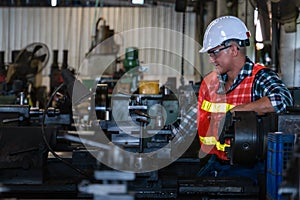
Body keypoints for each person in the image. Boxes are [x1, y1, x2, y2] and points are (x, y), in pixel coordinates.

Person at [194, 16, 293, 179]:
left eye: (214, 53)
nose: (211, 60)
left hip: (248, 169)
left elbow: (283, 101)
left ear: (233, 49)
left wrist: (237, 111)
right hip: (215, 161)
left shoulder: (259, 77)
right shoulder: (211, 82)